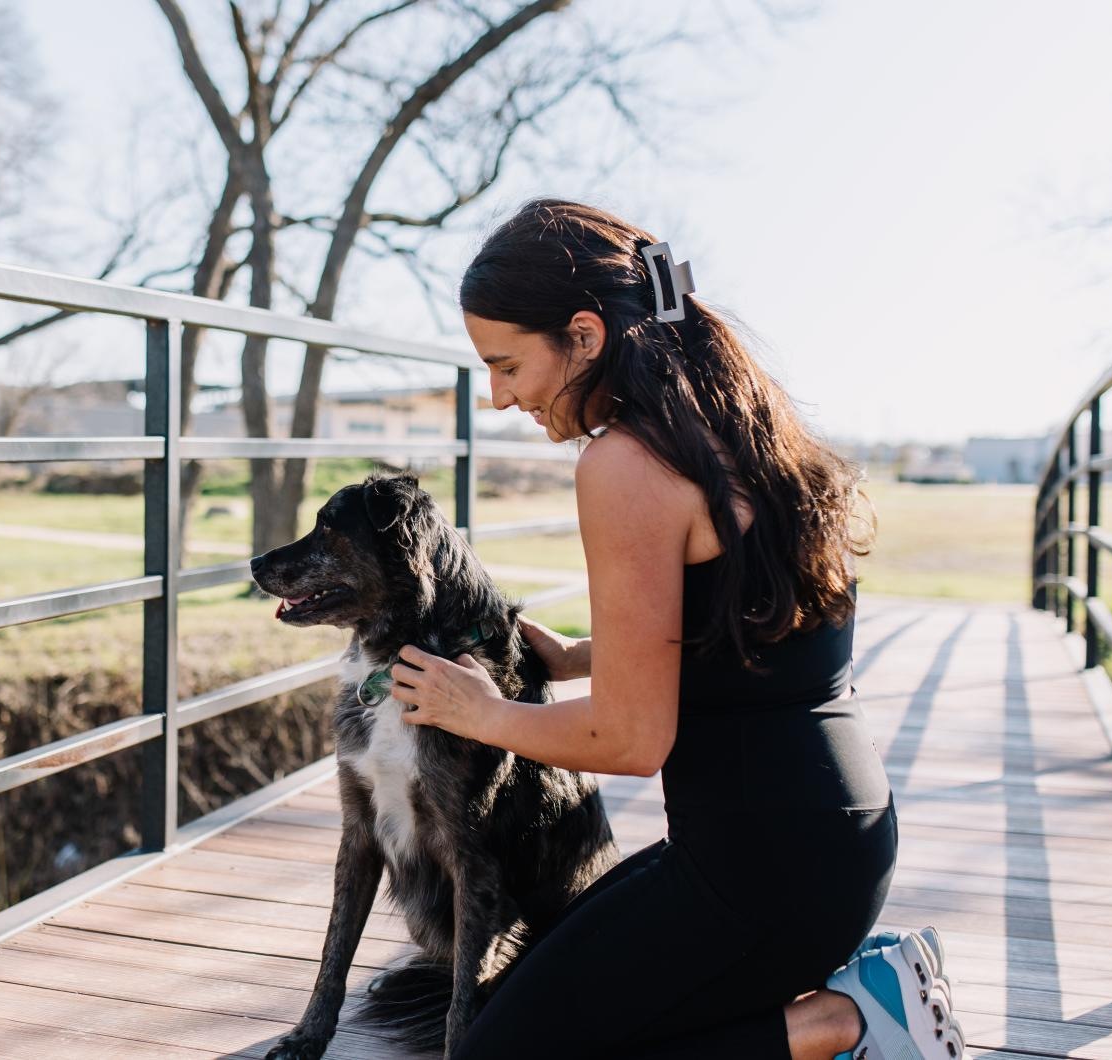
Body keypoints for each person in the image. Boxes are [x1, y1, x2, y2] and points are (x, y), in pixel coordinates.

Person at [384, 199, 966, 1059]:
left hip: (759, 876)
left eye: (506, 366)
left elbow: (630, 739)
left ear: (584, 337)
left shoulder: (624, 463)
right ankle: (859, 999)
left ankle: (851, 1019)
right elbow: (751, 636)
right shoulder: (738, 426)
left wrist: (479, 712)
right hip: (832, 842)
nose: (499, 398)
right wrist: (586, 656)